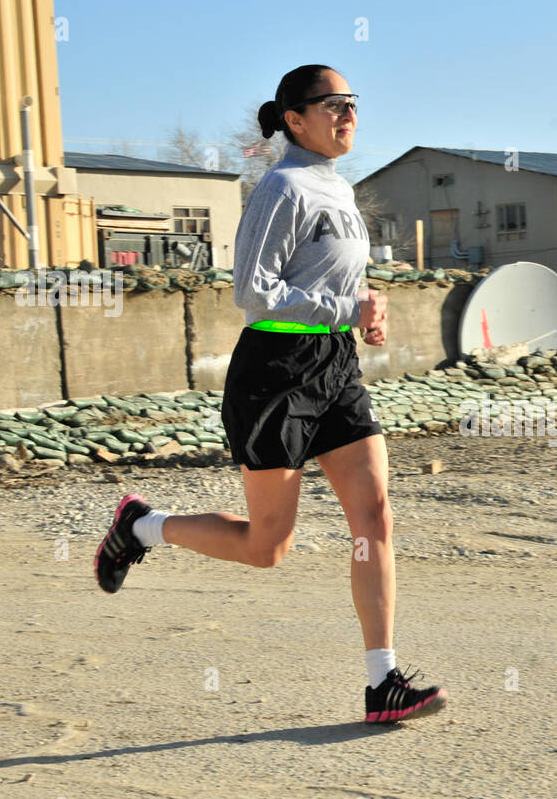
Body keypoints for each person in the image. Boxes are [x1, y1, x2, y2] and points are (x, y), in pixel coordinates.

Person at [94, 65, 446, 725]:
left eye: (353, 104)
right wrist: (344, 306)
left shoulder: (337, 189)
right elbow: (251, 290)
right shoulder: (282, 188)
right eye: (333, 105)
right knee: (267, 545)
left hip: (334, 368)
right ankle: (139, 526)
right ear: (294, 118)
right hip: (275, 375)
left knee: (375, 517)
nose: (349, 115)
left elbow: (337, 288)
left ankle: (383, 681)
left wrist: (368, 314)